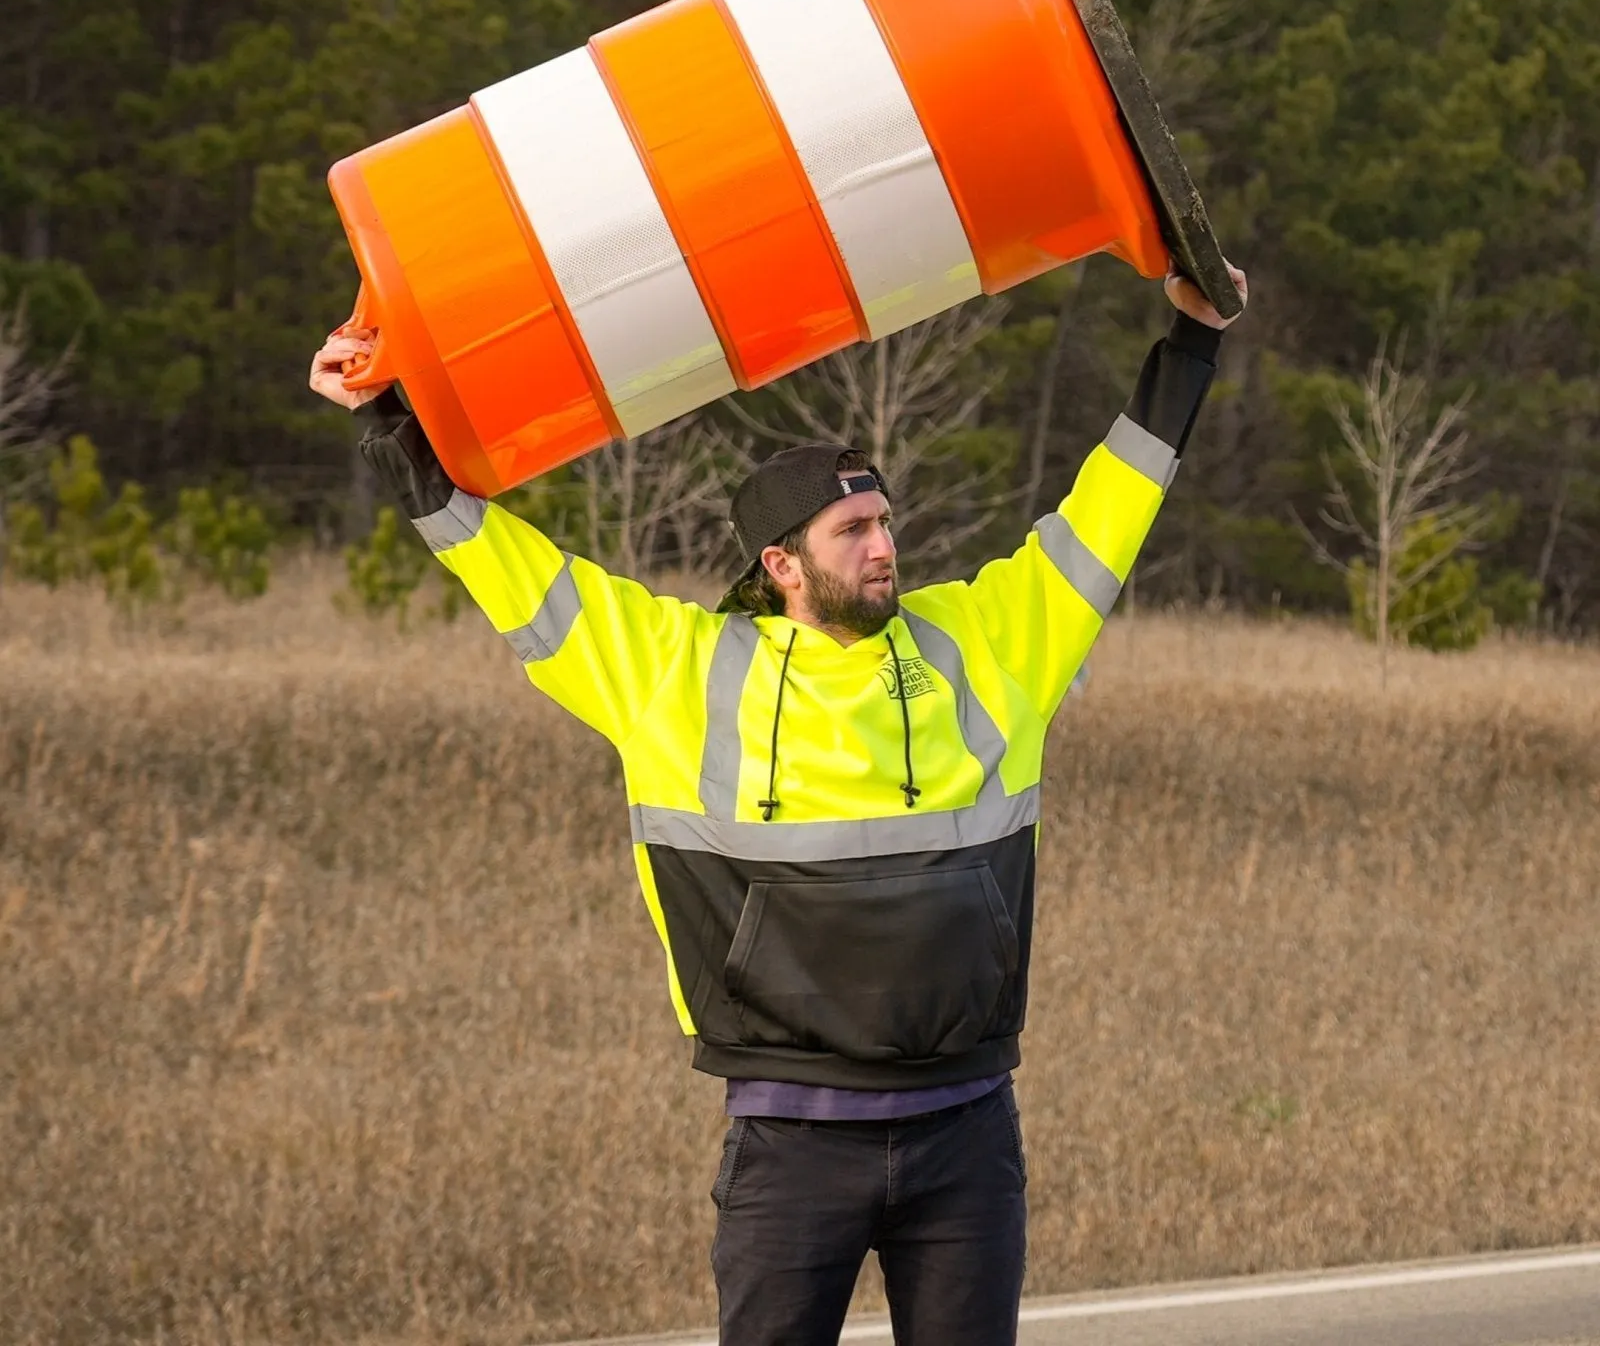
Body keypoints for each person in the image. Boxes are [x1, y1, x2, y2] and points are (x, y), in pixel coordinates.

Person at [308, 261, 1247, 1346]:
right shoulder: (673, 672)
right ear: (780, 563)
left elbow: (1109, 514)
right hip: (791, 1146)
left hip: (967, 1134)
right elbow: (512, 569)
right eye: (853, 529)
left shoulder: (985, 643)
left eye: (885, 519)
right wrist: (384, 415)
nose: (886, 544)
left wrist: (1191, 342)